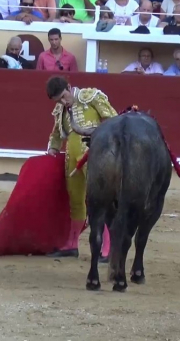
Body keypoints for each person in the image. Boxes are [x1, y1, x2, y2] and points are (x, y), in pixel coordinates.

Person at [45, 76, 118, 260]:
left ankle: (108, 248)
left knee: (103, 199)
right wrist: (53, 147)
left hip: (95, 154)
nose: (63, 102)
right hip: (71, 157)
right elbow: (56, 133)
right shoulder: (60, 109)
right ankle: (72, 245)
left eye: (63, 96)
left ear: (69, 87)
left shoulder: (90, 96)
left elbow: (113, 120)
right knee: (76, 200)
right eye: (58, 100)